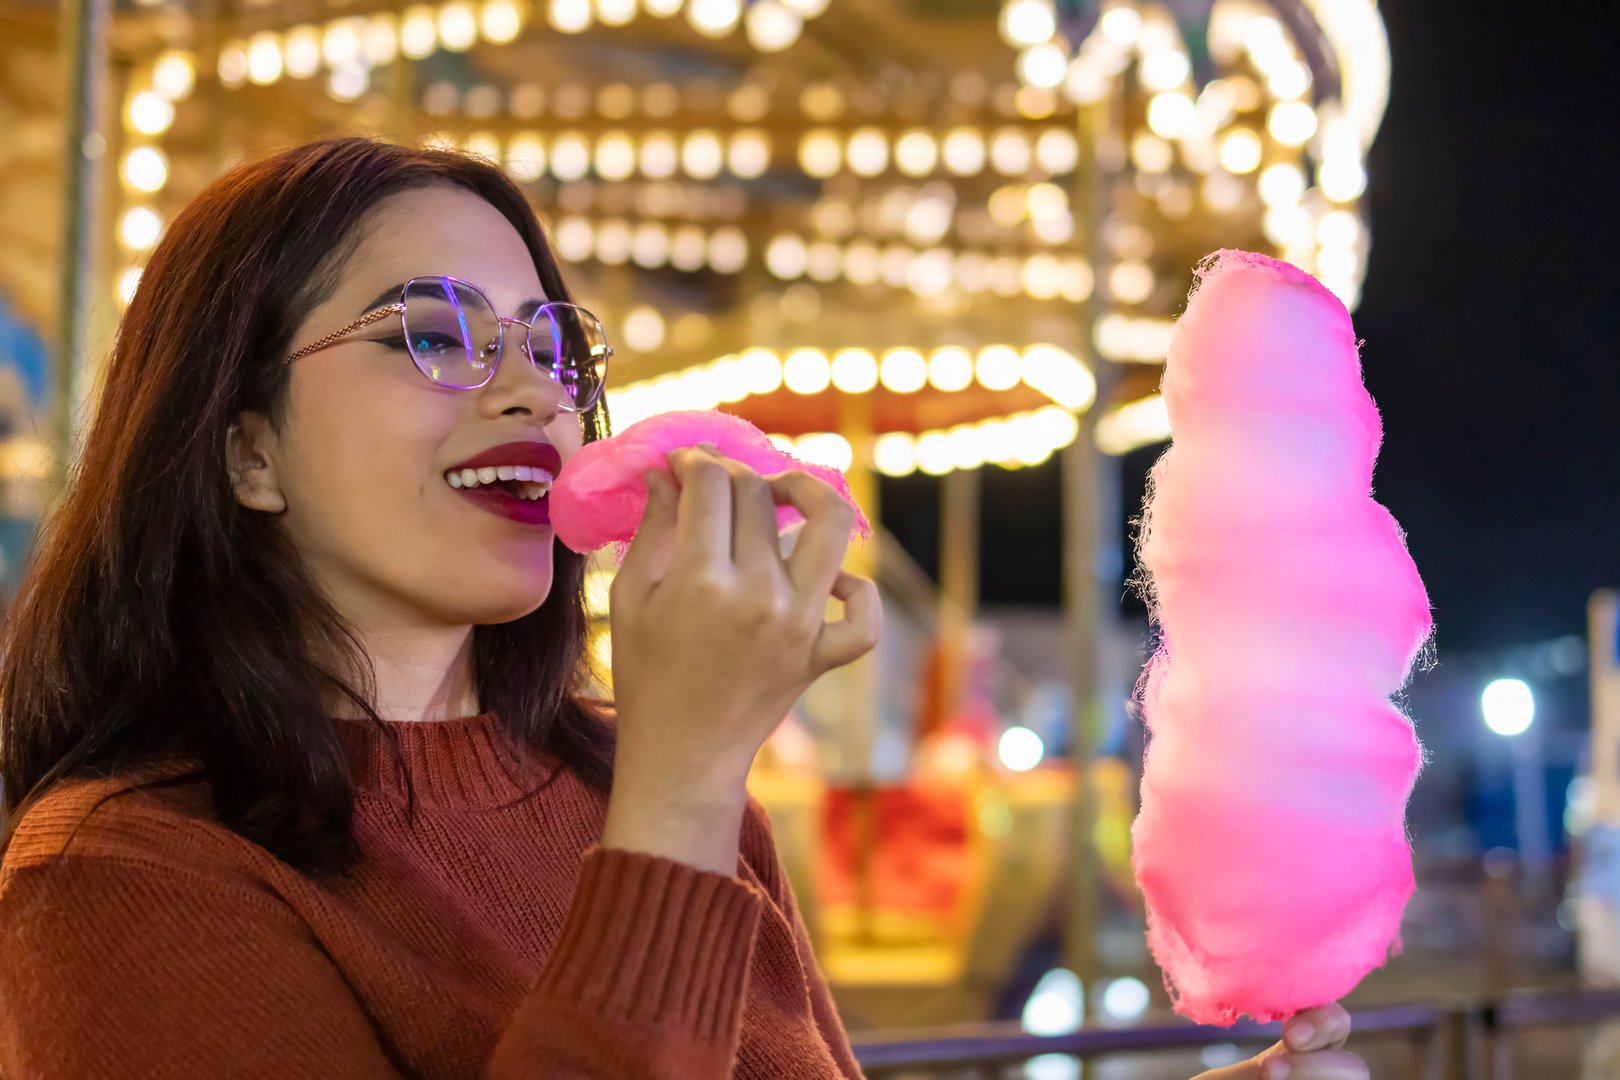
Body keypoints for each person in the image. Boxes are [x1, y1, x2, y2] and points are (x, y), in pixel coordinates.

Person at [0, 137, 1364, 1080]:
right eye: (434, 331)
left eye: (551, 344)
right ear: (243, 447)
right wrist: (684, 783)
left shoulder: (617, 786)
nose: (535, 389)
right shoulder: (122, 879)